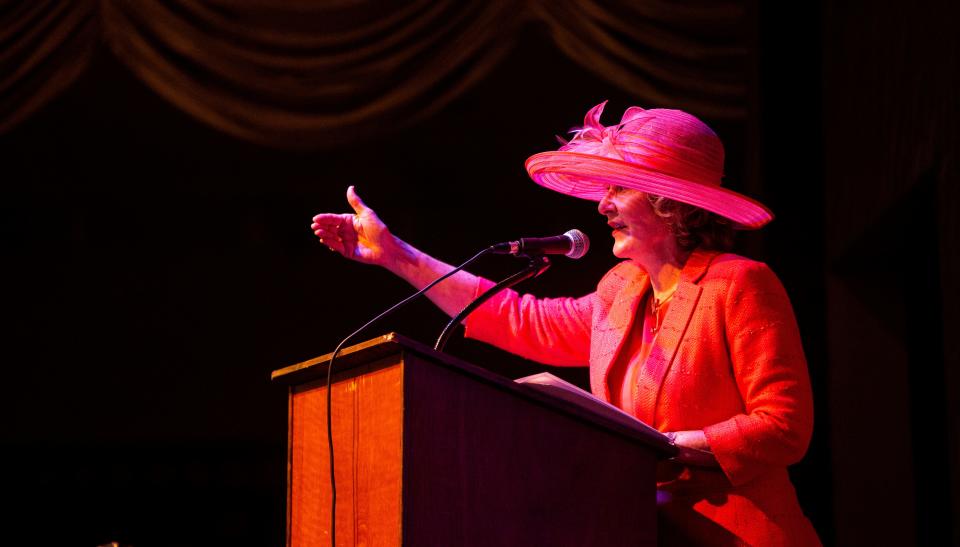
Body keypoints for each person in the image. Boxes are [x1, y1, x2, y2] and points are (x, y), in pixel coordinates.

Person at [310, 101, 821, 546]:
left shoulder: (740, 284)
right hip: (641, 531)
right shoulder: (619, 289)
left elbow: (783, 427)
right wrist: (397, 255)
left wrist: (667, 447)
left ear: (668, 204)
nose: (602, 205)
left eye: (619, 188)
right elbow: (517, 319)